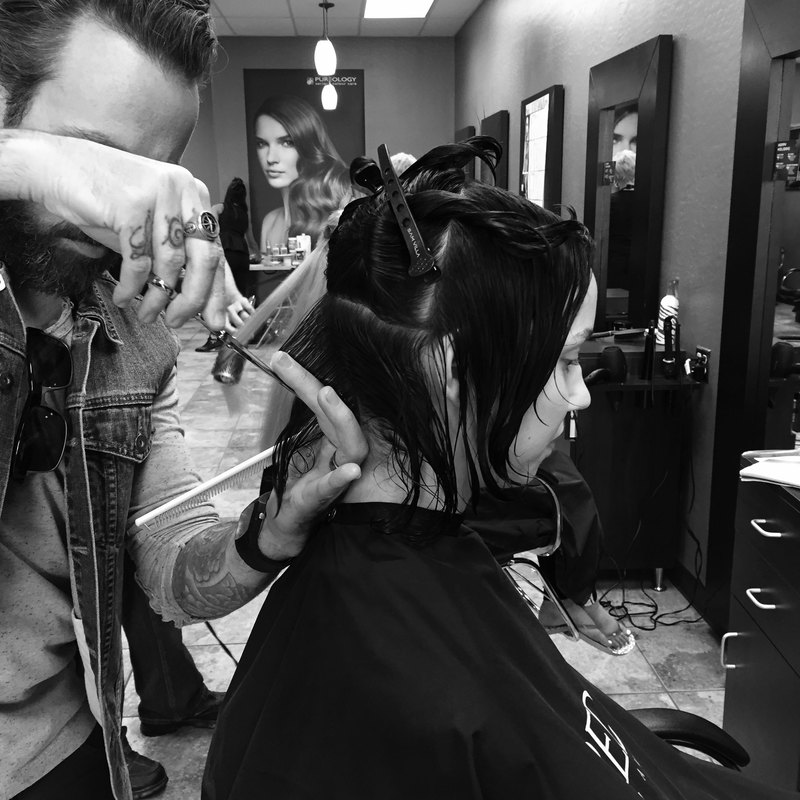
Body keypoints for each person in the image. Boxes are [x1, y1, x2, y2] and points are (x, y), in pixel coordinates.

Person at [203, 138, 796, 800]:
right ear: (458, 373)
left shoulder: (407, 563)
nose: (582, 395)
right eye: (567, 362)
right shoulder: (399, 681)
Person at [0, 3, 367, 799]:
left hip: (56, 747)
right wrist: (27, 168)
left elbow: (172, 572)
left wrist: (269, 533)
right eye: (98, 159)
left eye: (153, 169)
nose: (121, 213)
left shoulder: (132, 334)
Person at [253, 94, 350, 254]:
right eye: (262, 144)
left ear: (308, 147)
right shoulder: (270, 223)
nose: (271, 158)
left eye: (287, 143)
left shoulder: (335, 217)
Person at [196, 177, 256, 352]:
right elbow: (251, 240)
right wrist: (258, 254)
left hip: (226, 253)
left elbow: (211, 233)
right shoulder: (245, 214)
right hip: (243, 255)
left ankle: (215, 338)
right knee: (239, 296)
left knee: (218, 296)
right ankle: (238, 337)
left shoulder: (218, 208)